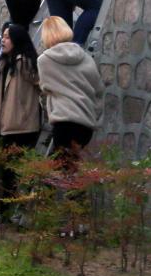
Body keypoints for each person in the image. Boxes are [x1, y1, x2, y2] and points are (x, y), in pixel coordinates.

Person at [0, 24, 41, 229]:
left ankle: (7, 213)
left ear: (17, 40)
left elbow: (40, 83)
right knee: (8, 171)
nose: (3, 40)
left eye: (8, 37)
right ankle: (10, 213)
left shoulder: (24, 62)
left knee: (14, 172)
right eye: (3, 37)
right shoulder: (6, 63)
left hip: (23, 125)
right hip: (8, 124)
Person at [36, 17, 102, 166]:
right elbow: (98, 91)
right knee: (72, 171)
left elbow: (45, 92)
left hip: (64, 122)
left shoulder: (45, 60)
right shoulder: (85, 57)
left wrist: (48, 113)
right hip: (86, 124)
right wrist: (93, 115)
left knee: (60, 174)